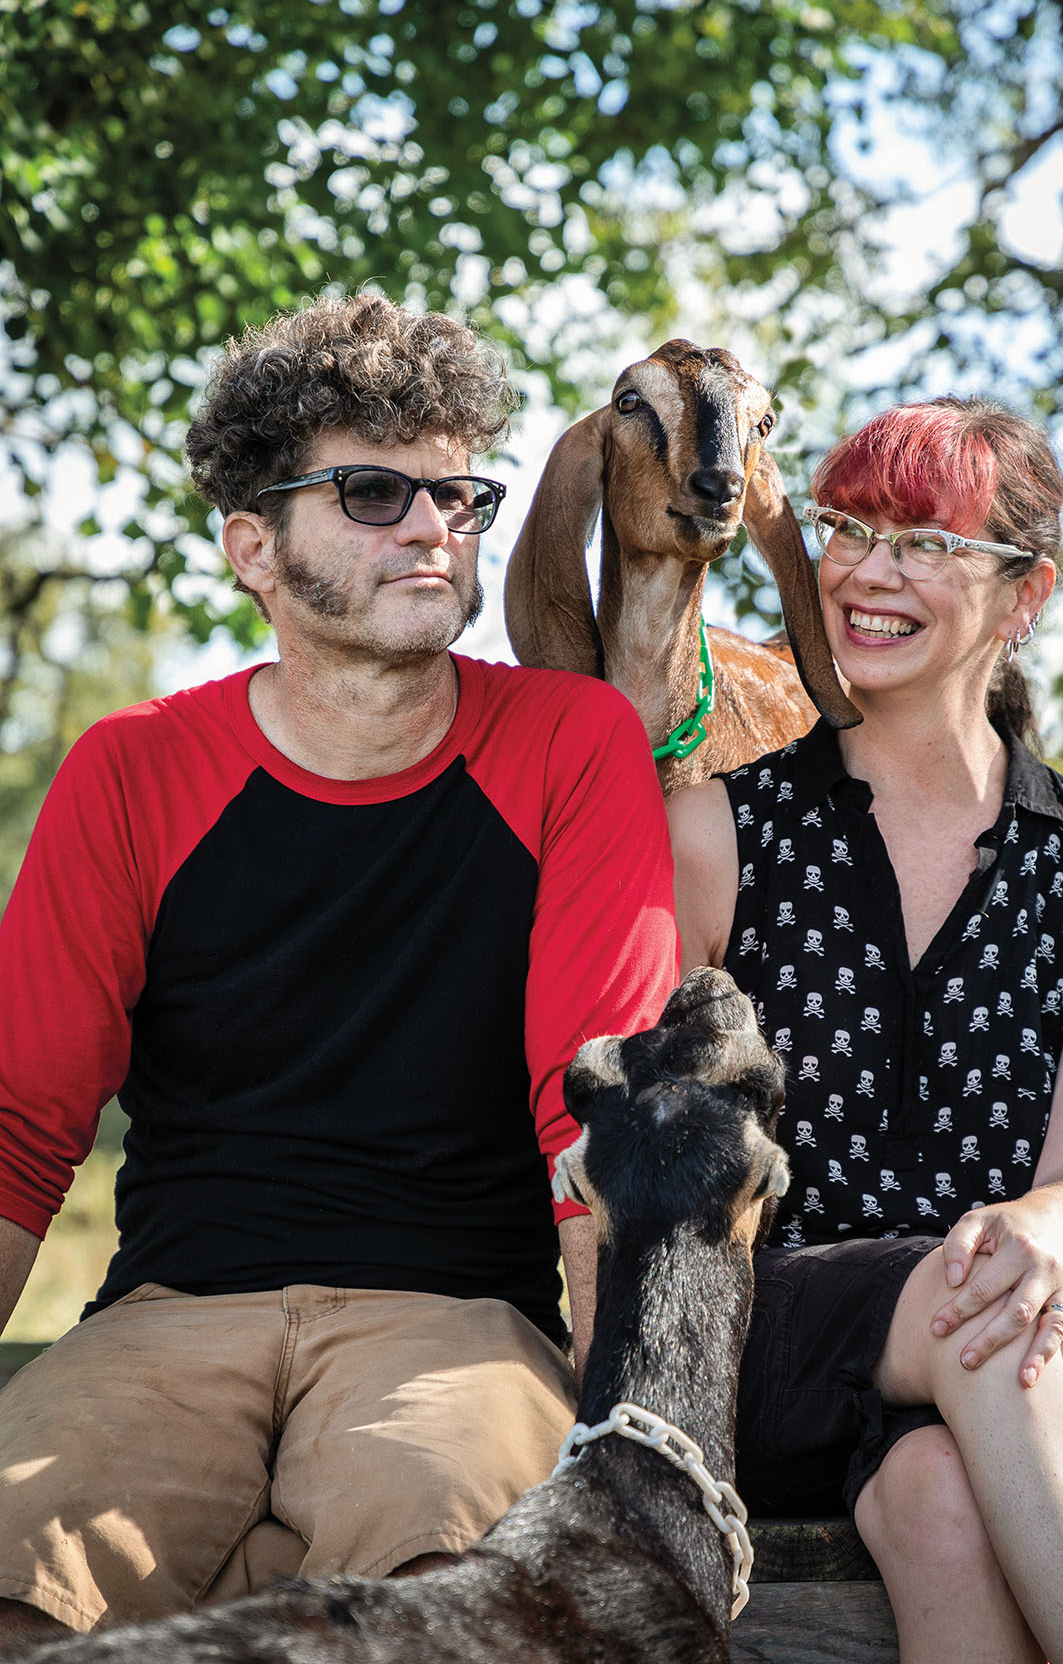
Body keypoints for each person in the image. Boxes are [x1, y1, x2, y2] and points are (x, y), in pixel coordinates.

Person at [0, 292, 678, 1642]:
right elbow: (20, 1126)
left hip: (454, 1325)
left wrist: (631, 1443)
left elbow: (597, 1119)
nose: (434, 524)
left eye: (458, 493)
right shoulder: (133, 767)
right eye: (374, 491)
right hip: (167, 1320)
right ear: (256, 545)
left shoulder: (568, 742)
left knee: (459, 1610)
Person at [669, 396, 1063, 1664]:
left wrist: (1048, 1220)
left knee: (942, 1493)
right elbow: (665, 1155)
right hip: (780, 1321)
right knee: (981, 1310)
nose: (866, 571)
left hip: (1043, 1340)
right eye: (849, 528)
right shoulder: (712, 835)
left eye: (925, 541)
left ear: (1028, 590)